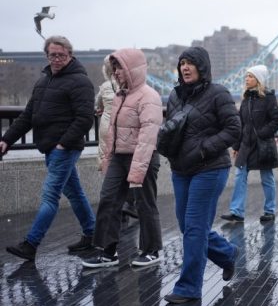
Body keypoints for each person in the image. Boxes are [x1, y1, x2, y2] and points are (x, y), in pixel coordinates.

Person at [2, 36, 96, 261]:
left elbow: (85, 119)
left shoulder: (80, 81)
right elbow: (27, 116)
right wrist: (6, 139)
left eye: (61, 55)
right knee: (74, 192)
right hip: (50, 147)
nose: (56, 59)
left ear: (70, 55)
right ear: (47, 55)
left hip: (64, 148)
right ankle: (92, 235)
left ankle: (31, 244)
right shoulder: (44, 80)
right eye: (52, 55)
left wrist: (63, 144)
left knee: (50, 196)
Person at [163, 47, 242, 304]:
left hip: (210, 169)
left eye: (190, 63)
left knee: (195, 227)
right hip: (181, 169)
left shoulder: (218, 93)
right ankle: (227, 254)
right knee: (188, 227)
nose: (185, 68)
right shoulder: (175, 95)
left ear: (202, 67)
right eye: (182, 63)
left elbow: (234, 129)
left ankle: (188, 288)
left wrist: (204, 149)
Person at [81, 49, 164, 268]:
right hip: (119, 157)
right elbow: (112, 132)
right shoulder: (120, 95)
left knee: (145, 204)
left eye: (120, 67)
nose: (116, 72)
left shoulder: (150, 96)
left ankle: (152, 250)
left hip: (143, 157)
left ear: (132, 69)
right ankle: (107, 252)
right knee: (108, 200)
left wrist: (137, 170)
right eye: (114, 68)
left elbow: (148, 136)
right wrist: (108, 159)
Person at [221, 65, 278, 224]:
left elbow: (277, 120)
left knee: (267, 178)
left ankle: (270, 211)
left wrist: (261, 134)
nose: (246, 79)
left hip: (263, 145)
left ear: (258, 80)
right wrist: (235, 146)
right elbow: (241, 124)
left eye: (250, 76)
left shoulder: (269, 97)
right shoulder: (246, 99)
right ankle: (237, 212)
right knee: (239, 176)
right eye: (246, 76)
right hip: (246, 145)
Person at [95, 56, 138, 220]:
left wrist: (101, 109)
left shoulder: (105, 87)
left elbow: (97, 105)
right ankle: (127, 204)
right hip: (124, 129)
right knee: (127, 166)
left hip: (106, 128)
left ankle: (114, 209)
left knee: (108, 165)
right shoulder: (130, 87)